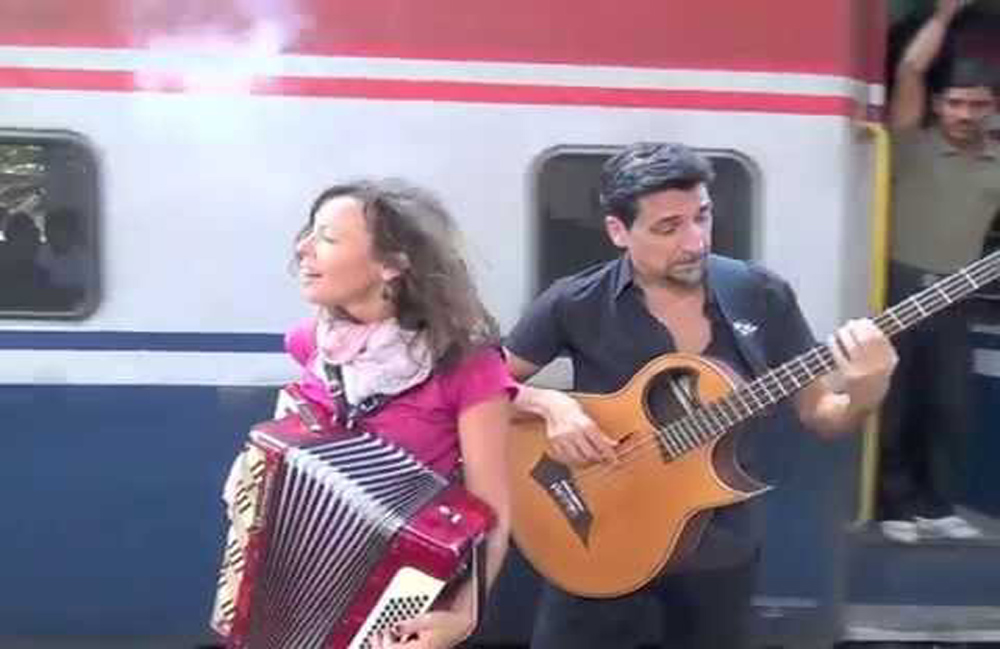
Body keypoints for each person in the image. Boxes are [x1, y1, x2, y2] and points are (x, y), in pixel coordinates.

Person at [503, 142, 899, 649]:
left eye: (702, 217)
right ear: (619, 231)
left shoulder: (759, 295)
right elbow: (481, 383)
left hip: (716, 559)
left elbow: (823, 414)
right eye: (668, 227)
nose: (695, 241)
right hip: (594, 542)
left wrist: (866, 391)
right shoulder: (575, 301)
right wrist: (549, 404)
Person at [225, 179, 514, 649]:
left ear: (391, 265)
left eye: (327, 238)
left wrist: (464, 617)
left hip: (392, 596)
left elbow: (492, 513)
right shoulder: (309, 343)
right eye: (309, 233)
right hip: (290, 589)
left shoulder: (468, 367)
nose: (302, 248)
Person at [879, 0, 1000, 543]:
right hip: (899, 285)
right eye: (955, 103)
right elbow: (909, 70)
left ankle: (936, 507)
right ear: (937, 104)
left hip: (955, 293)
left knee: (950, 405)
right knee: (898, 402)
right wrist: (943, 19)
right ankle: (894, 509)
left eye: (977, 105)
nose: (965, 114)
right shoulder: (912, 145)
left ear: (992, 109)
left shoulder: (996, 164)